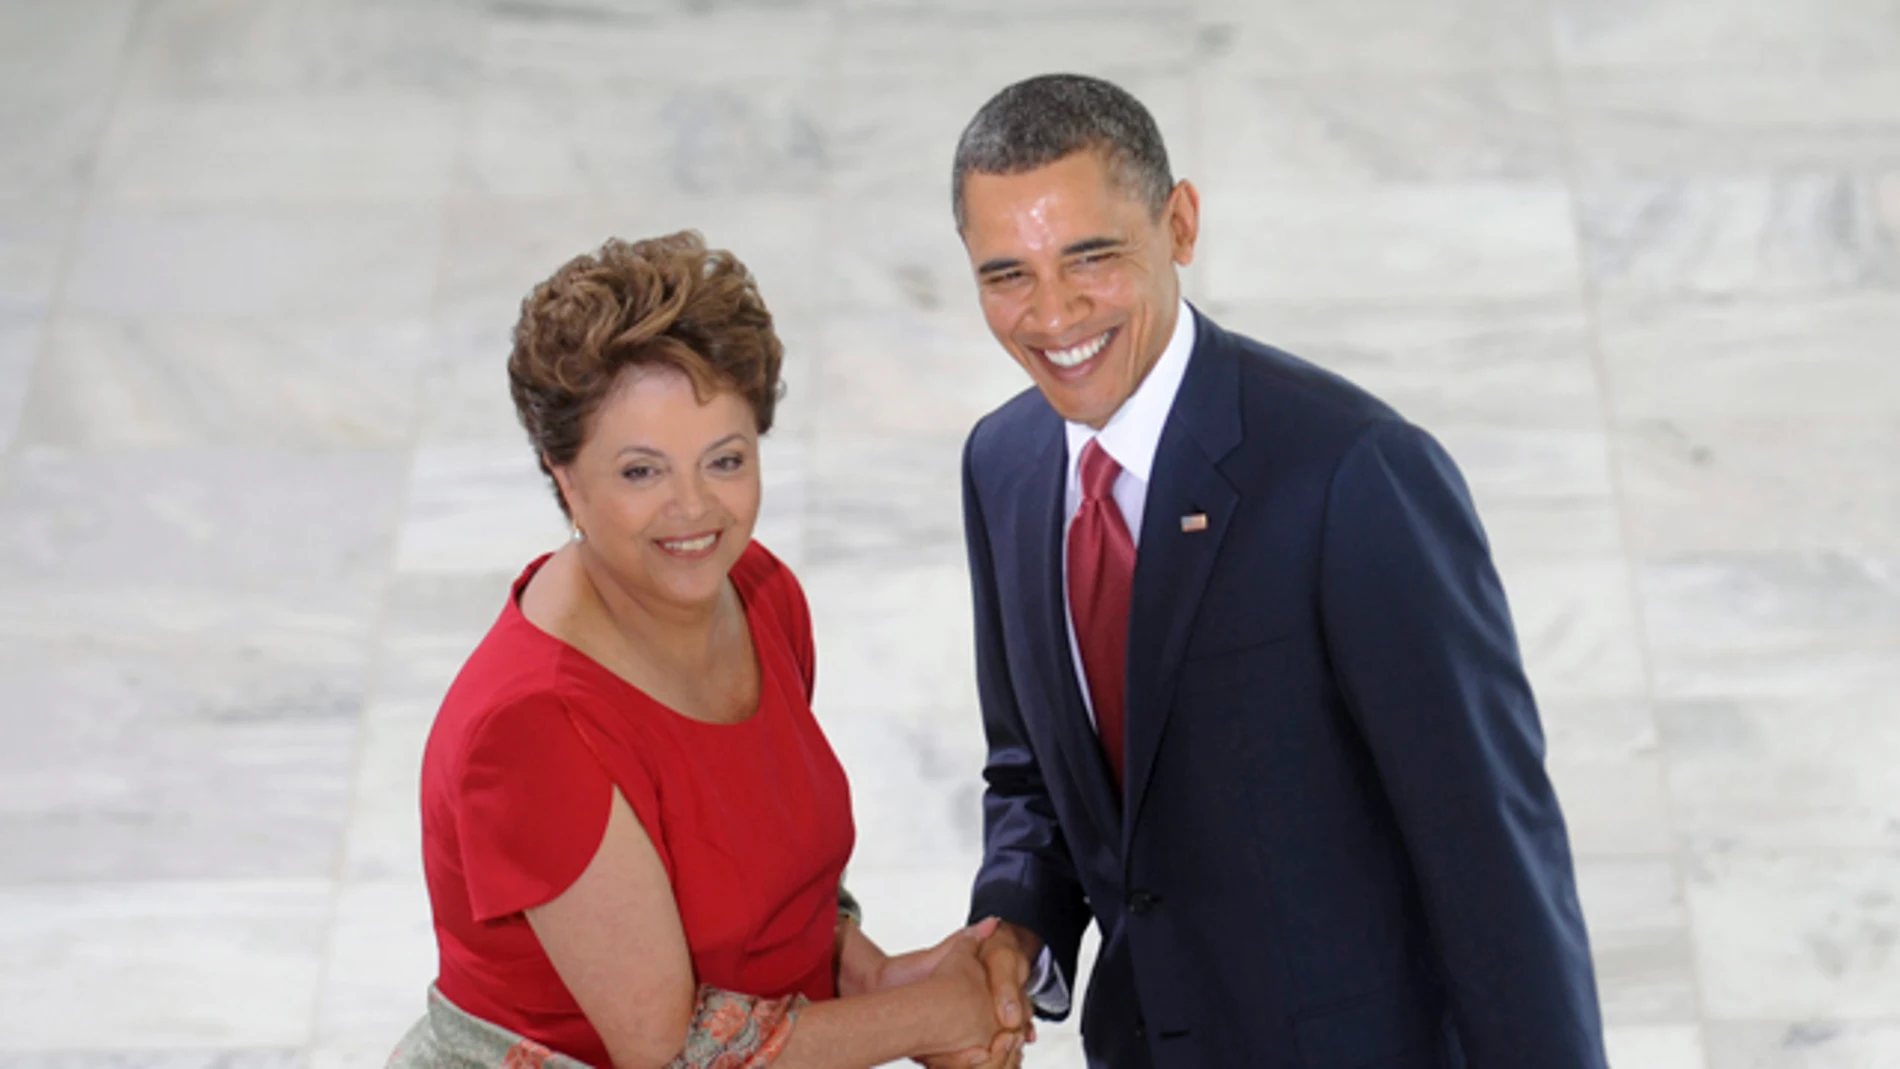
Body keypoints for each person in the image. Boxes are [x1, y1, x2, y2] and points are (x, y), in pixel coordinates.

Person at [941, 74, 1610, 1068]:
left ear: (1179, 223)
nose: (1052, 313)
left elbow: (1491, 859)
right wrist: (1015, 922)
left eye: (1091, 256)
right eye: (1008, 276)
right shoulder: (1003, 465)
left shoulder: (1352, 475)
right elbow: (1034, 772)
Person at [398, 232, 1028, 1069]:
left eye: (724, 460)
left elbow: (770, 894)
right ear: (565, 477)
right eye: (641, 472)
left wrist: (881, 976)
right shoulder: (532, 729)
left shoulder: (760, 592)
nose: (693, 508)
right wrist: (928, 1017)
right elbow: (671, 1055)